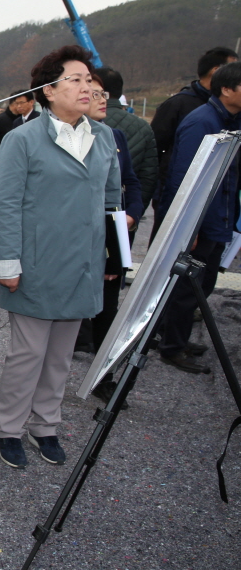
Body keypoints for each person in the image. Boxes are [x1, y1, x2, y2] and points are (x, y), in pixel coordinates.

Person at [0, 45, 120, 470]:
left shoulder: (103, 137)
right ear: (48, 91)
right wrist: (7, 263)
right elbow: (6, 204)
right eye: (76, 80)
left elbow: (112, 200)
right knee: (27, 354)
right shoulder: (22, 139)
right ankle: (8, 427)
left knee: (62, 356)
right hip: (36, 265)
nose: (87, 88)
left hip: (82, 265)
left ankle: (46, 424)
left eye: (89, 80)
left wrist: (113, 257)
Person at [154, 61, 241, 374]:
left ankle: (177, 337)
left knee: (203, 285)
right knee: (186, 287)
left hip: (221, 217)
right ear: (227, 89)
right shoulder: (201, 122)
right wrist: (189, 225)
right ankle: (171, 346)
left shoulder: (232, 119)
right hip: (202, 221)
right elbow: (185, 178)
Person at [74, 74, 143, 364]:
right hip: (78, 235)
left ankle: (103, 370)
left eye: (104, 95)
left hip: (110, 231)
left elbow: (130, 182)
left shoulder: (115, 137)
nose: (103, 100)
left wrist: (132, 214)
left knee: (108, 302)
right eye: (96, 94)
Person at [151, 47, 238, 238]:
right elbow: (157, 150)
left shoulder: (231, 115)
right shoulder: (187, 108)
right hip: (180, 199)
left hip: (218, 210)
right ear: (217, 72)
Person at [95, 66, 157, 216]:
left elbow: (132, 178)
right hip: (121, 213)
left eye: (102, 94)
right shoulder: (143, 126)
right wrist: (134, 212)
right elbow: (149, 175)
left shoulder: (115, 135)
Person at [0, 90, 37, 173]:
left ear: (31, 102)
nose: (19, 106)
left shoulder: (38, 119)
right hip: (13, 164)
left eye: (21, 103)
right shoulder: (16, 121)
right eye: (17, 103)